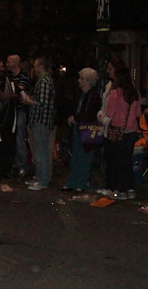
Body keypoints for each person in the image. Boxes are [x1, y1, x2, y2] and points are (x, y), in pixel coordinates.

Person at [101, 65, 142, 200]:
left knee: (116, 160)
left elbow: (109, 114)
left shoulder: (116, 93)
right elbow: (138, 113)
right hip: (131, 130)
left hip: (117, 130)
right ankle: (130, 188)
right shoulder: (135, 93)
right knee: (127, 160)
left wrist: (101, 118)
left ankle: (120, 189)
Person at [61, 68, 102, 192]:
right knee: (76, 156)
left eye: (82, 79)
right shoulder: (81, 95)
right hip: (79, 128)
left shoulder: (93, 96)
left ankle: (81, 182)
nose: (79, 81)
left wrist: (76, 118)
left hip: (87, 130)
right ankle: (73, 181)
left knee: (84, 156)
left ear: (89, 81)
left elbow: (90, 113)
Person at [22, 57, 56, 190]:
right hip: (42, 121)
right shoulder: (45, 81)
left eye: (35, 66)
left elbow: (42, 103)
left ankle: (42, 180)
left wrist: (28, 101)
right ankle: (40, 177)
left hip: (41, 121)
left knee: (41, 152)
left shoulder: (44, 82)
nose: (34, 69)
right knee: (40, 151)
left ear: (41, 66)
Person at [6, 54, 31, 176]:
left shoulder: (24, 77)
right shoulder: (8, 77)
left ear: (15, 63)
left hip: (20, 111)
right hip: (10, 111)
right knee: (10, 137)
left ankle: (22, 166)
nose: (6, 64)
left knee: (20, 137)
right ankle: (13, 163)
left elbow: (16, 91)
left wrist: (10, 93)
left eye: (8, 62)